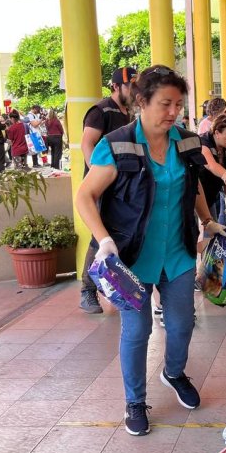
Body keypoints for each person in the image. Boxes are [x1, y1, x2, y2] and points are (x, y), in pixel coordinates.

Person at [75, 65, 226, 436]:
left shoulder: (187, 141)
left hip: (176, 252)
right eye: (165, 103)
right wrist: (104, 240)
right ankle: (134, 401)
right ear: (141, 101)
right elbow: (85, 195)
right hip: (130, 257)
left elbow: (193, 188)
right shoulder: (116, 144)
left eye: (178, 104)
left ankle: (173, 373)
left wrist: (208, 221)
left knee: (181, 324)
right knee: (137, 328)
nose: (173, 112)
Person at [77, 66, 138, 314]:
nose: (134, 91)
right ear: (116, 86)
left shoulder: (128, 113)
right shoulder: (100, 111)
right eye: (130, 86)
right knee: (98, 238)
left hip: (121, 187)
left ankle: (109, 285)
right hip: (102, 187)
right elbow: (86, 143)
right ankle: (87, 291)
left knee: (119, 234)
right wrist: (98, 175)